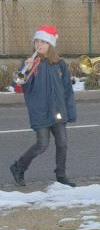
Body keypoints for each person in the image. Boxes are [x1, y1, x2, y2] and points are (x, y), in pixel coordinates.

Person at [10, 25, 77, 187]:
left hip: (58, 111)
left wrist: (70, 111)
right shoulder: (30, 63)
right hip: (39, 111)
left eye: (43, 42)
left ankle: (61, 175)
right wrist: (26, 69)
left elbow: (67, 89)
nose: (39, 45)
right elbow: (18, 85)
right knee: (42, 144)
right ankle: (19, 166)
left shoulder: (59, 64)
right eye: (36, 41)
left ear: (50, 45)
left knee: (62, 144)